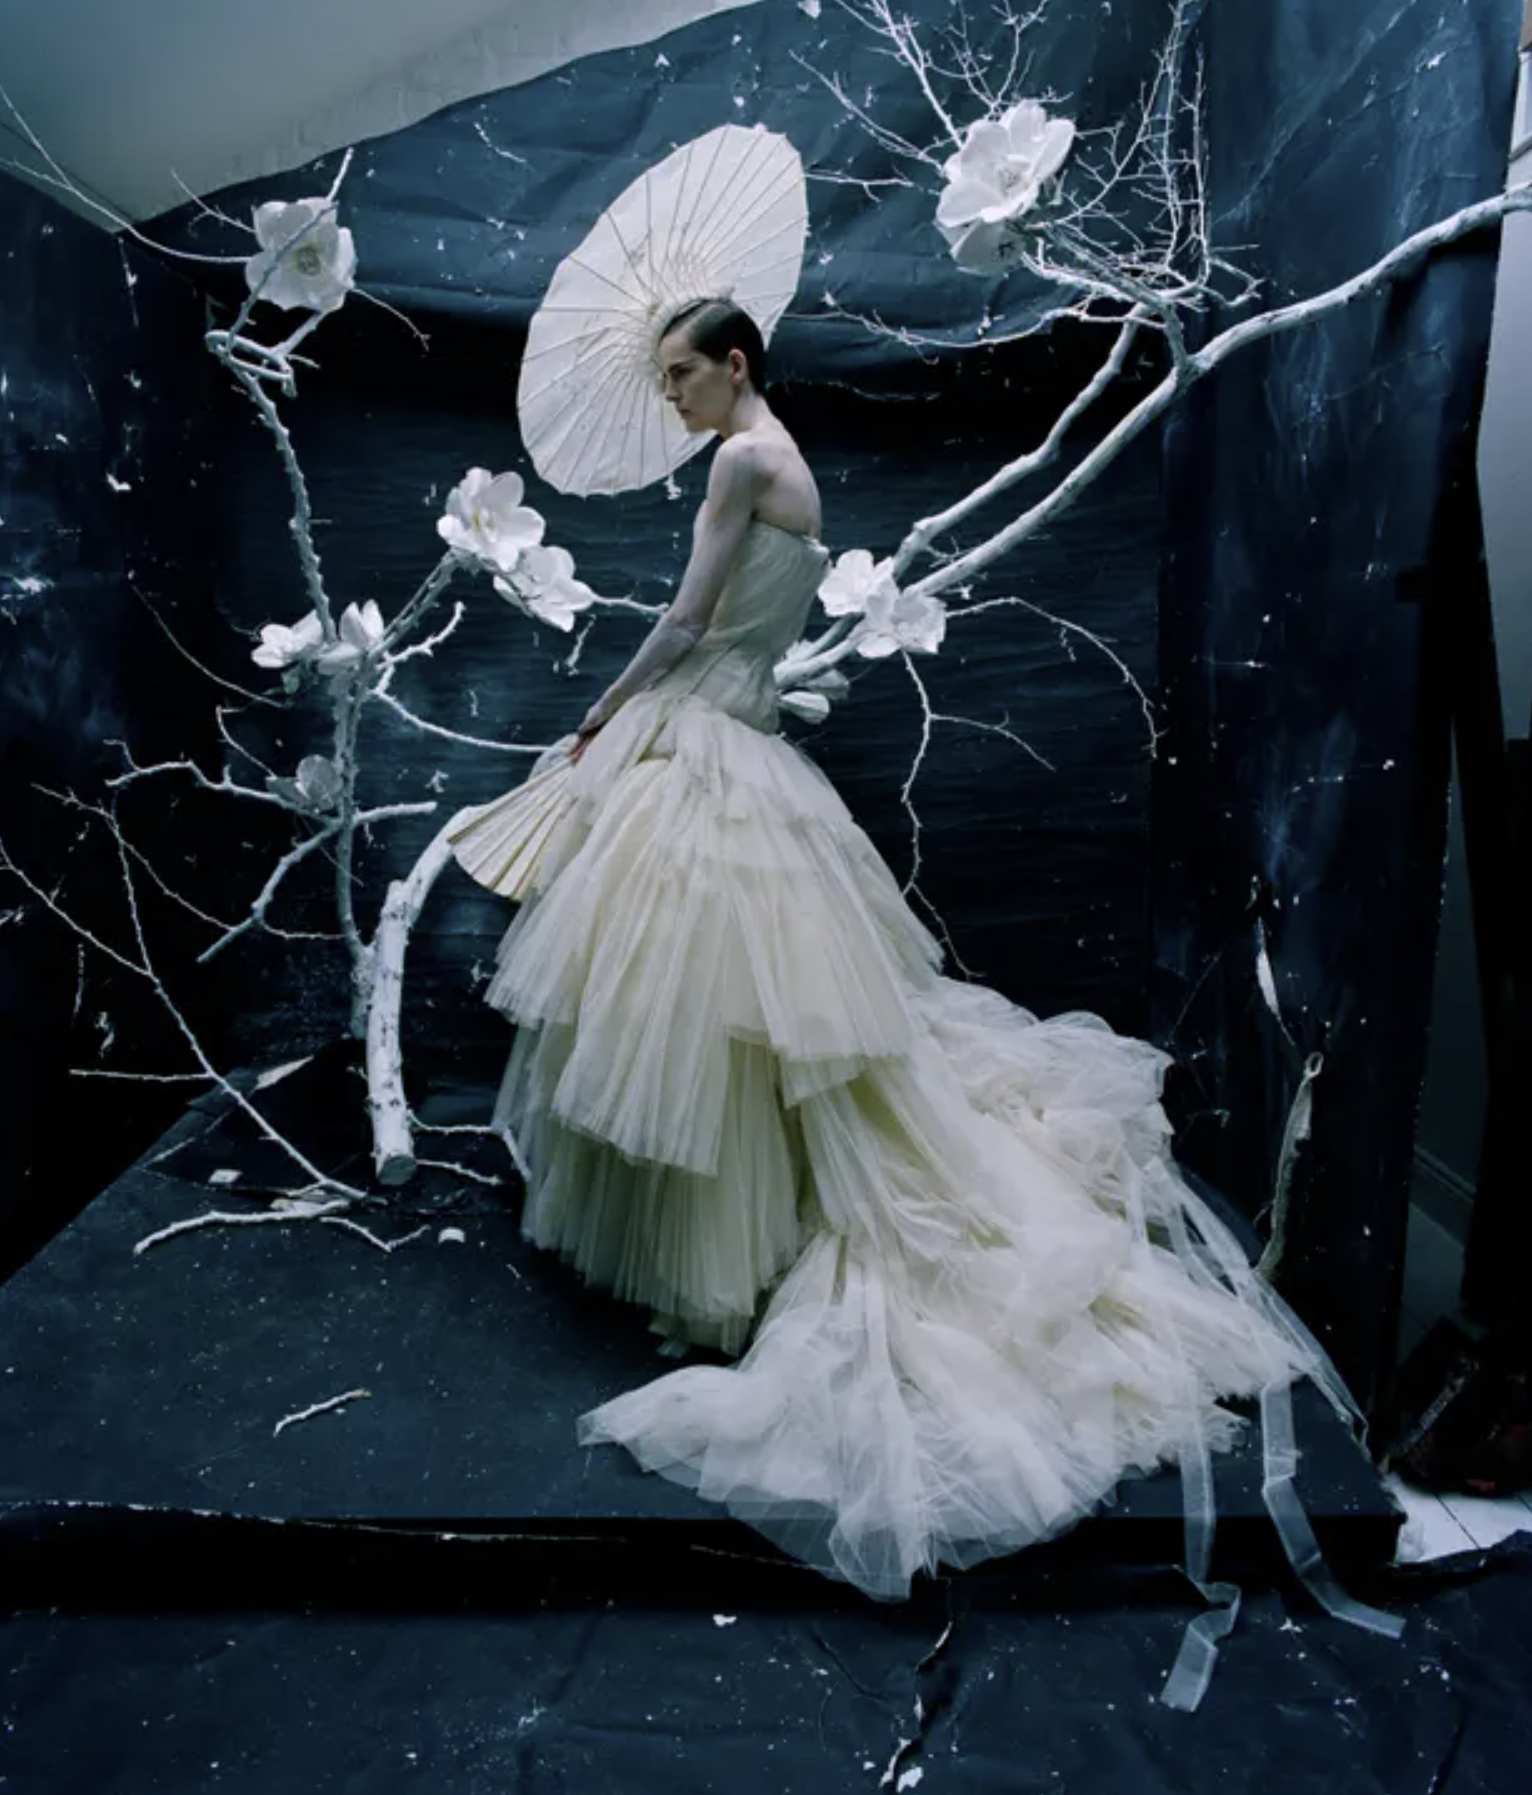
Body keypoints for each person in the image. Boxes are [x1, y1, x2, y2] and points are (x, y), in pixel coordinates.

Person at [479, 297, 1341, 1607]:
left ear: (736, 363)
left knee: (698, 1005)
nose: (673, 400)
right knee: (712, 1008)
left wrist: (598, 711)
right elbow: (759, 637)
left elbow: (689, 623)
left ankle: (718, 1265)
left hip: (706, 739)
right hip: (743, 739)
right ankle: (719, 1249)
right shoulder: (792, 462)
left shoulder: (740, 459)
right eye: (663, 380)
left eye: (680, 375)